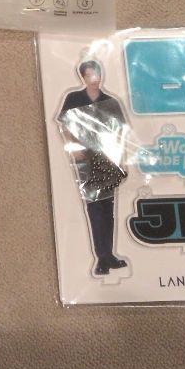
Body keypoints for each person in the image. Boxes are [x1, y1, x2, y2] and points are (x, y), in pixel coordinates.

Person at [56, 58, 131, 276]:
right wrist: (72, 147)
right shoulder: (74, 99)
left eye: (96, 74)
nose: (94, 79)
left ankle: (108, 255)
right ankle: (101, 258)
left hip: (107, 157)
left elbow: (120, 132)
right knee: (94, 206)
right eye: (89, 75)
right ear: (83, 77)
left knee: (108, 208)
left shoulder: (110, 101)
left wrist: (120, 157)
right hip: (85, 159)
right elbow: (65, 125)